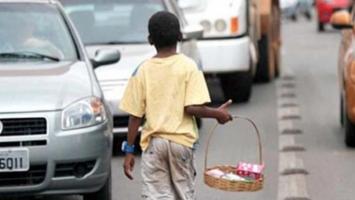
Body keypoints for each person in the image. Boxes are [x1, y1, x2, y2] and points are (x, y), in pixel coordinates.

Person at [119, 11, 233, 200]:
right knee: (183, 195)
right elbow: (192, 108)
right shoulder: (189, 66)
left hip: (154, 145)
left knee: (156, 196)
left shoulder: (142, 70)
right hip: (182, 144)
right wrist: (217, 114)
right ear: (180, 37)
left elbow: (135, 116)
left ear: (150, 40)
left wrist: (129, 151)